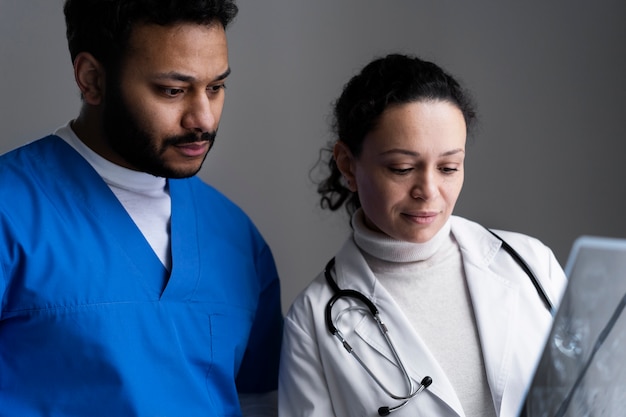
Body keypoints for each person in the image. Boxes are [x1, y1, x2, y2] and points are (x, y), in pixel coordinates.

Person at [0, 1, 283, 416]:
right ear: (92, 79)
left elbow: (259, 400)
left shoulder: (236, 237)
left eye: (216, 87)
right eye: (173, 90)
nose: (203, 118)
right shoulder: (11, 210)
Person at [278, 54, 567, 417]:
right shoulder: (313, 320)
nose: (428, 190)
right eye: (402, 168)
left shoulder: (531, 264)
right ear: (347, 165)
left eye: (449, 167)